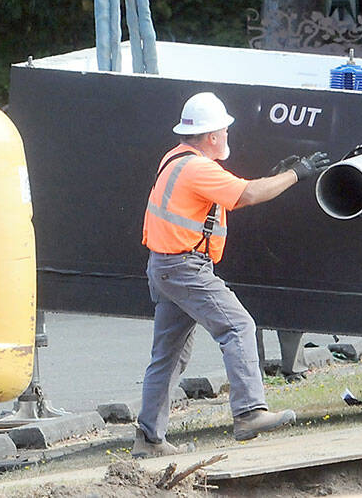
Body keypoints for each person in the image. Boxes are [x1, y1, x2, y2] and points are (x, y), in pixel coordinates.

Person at [133, 91, 331, 457]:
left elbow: (227, 196)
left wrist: (274, 178)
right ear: (211, 136)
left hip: (165, 267)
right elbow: (246, 196)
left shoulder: (175, 159)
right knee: (238, 326)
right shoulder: (198, 168)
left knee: (169, 356)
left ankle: (148, 439)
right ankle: (249, 412)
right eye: (224, 130)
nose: (227, 136)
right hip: (185, 268)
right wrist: (295, 174)